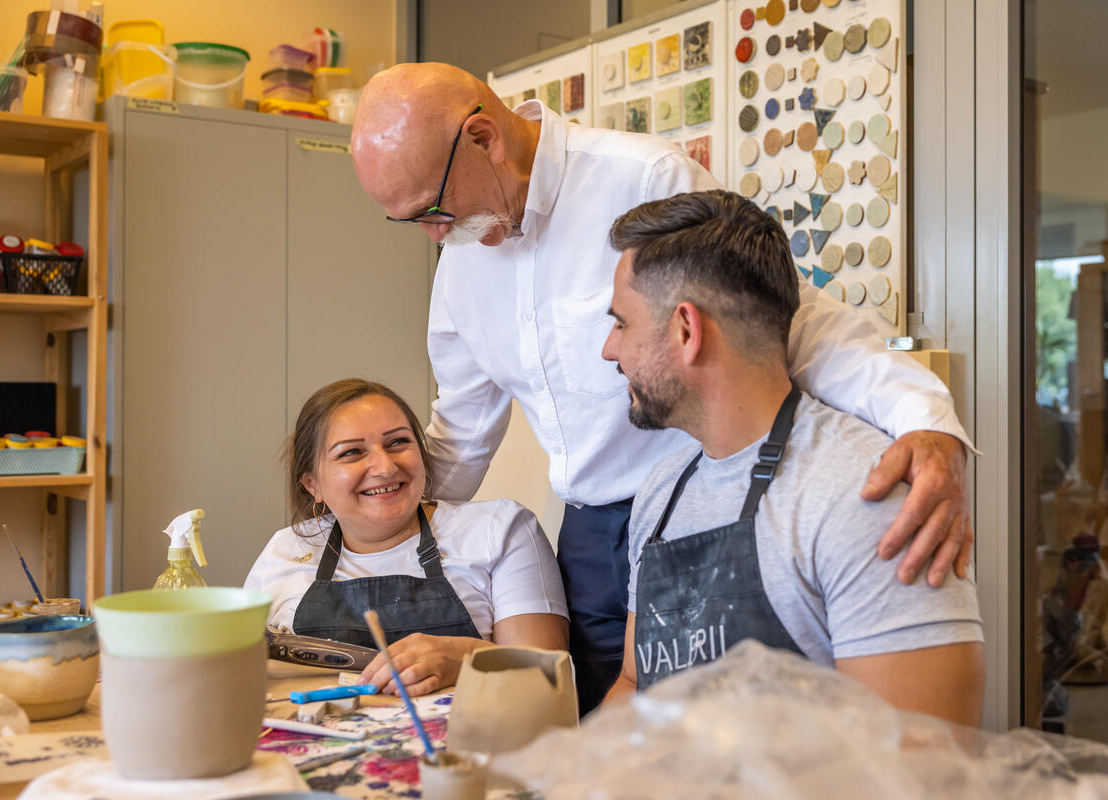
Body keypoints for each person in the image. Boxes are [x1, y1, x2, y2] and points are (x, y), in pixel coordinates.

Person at [350, 62, 975, 714]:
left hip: (716, 503)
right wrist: (372, 531)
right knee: (608, 718)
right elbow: (462, 431)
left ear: (484, 138)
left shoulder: (641, 179)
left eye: (434, 207)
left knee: (745, 714)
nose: (433, 233)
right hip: (593, 537)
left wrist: (923, 418)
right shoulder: (462, 260)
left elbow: (789, 321)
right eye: (409, 220)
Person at [599, 191, 984, 725]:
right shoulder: (662, 492)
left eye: (621, 323)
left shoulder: (866, 499)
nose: (608, 350)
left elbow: (925, 769)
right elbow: (634, 684)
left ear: (687, 331)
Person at [244, 378, 568, 696]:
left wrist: (463, 657)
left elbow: (548, 685)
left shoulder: (499, 529)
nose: (385, 467)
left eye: (398, 442)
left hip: (466, 747)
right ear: (312, 484)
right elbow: (239, 679)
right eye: (352, 453)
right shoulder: (284, 551)